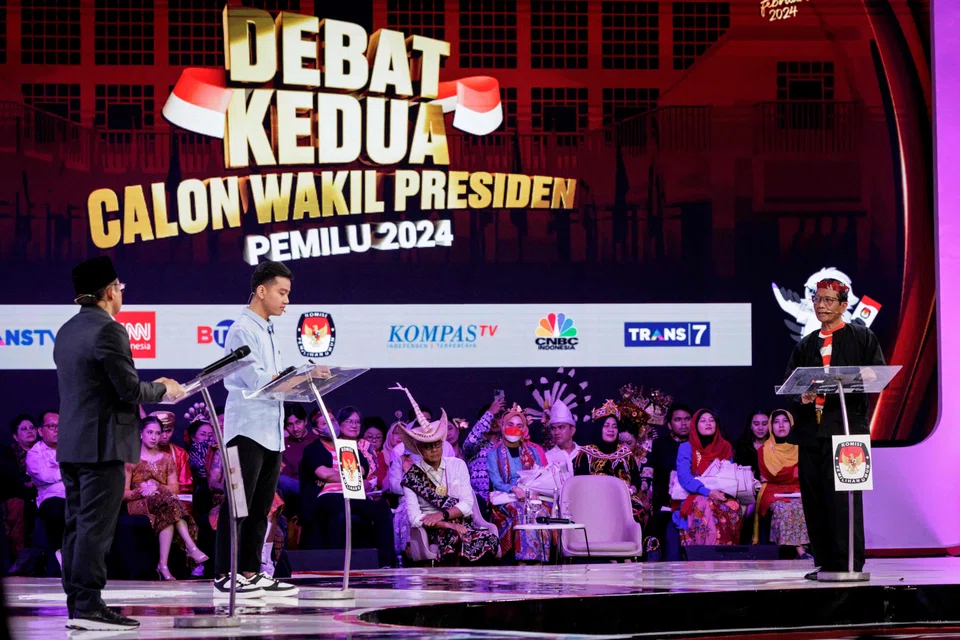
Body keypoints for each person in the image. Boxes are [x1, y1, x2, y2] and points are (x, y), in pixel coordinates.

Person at [54, 255, 182, 631]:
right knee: (95, 528)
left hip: (74, 444)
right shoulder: (109, 330)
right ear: (110, 291)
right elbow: (127, 389)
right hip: (103, 444)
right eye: (120, 288)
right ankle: (90, 605)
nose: (121, 295)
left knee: (77, 526)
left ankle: (79, 603)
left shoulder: (67, 329)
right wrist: (164, 389)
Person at [783, 277, 885, 579]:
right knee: (815, 499)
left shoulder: (862, 337)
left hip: (846, 433)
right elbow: (791, 383)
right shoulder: (806, 344)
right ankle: (826, 562)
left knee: (846, 500)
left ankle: (849, 563)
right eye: (817, 299)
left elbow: (877, 373)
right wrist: (800, 394)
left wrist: (866, 375)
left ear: (843, 305)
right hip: (811, 434)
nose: (820, 305)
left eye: (829, 300)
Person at [215, 260, 299, 599]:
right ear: (261, 291)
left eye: (288, 294)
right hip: (246, 428)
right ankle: (225, 572)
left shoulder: (267, 328)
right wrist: (298, 378)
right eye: (282, 292)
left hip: (270, 430)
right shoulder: (242, 329)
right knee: (238, 503)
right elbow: (257, 379)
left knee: (261, 505)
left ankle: (249, 572)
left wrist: (298, 377)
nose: (286, 300)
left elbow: (274, 380)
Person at [399, 410, 498, 565]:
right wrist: (446, 523)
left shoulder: (457, 465)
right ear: (418, 448)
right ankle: (451, 583)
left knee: (489, 539)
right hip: (433, 529)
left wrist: (443, 515)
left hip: (463, 524)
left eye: (437, 444)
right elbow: (415, 518)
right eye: (428, 446)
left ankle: (473, 585)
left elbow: (467, 504)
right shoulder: (412, 476)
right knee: (452, 534)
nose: (434, 449)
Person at [299, 412, 396, 568]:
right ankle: (337, 565)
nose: (331, 425)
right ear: (316, 431)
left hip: (352, 493)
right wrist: (353, 476)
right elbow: (324, 474)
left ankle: (385, 563)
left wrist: (352, 476)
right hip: (327, 495)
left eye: (332, 421)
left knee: (381, 508)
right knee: (339, 507)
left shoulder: (347, 447)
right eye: (325, 423)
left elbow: (363, 470)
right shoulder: (313, 448)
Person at [123, 418, 207, 580]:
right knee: (169, 502)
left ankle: (163, 565)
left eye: (157, 433)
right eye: (150, 432)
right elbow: (124, 494)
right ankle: (191, 546)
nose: (154, 437)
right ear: (141, 434)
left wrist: (157, 487)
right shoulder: (131, 459)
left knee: (168, 505)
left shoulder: (166, 458)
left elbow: (175, 488)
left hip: (163, 502)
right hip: (138, 503)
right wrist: (142, 490)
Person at [486, 404, 551, 563]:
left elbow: (539, 475)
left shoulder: (533, 451)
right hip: (506, 498)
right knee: (522, 510)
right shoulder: (493, 454)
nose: (514, 428)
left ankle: (542, 560)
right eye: (510, 424)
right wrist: (514, 488)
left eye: (519, 425)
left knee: (542, 511)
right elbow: (496, 482)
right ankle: (525, 559)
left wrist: (534, 490)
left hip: (531, 495)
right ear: (503, 426)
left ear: (524, 429)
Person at [673, 409, 743, 546]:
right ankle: (706, 556)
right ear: (695, 425)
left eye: (711, 420)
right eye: (703, 420)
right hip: (695, 493)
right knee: (705, 505)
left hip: (722, 492)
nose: (708, 423)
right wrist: (708, 492)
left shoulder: (725, 447)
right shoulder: (686, 448)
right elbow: (685, 478)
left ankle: (726, 557)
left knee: (733, 506)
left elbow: (729, 475)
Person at [574, 401, 649, 526]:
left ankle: (631, 545)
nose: (611, 430)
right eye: (606, 426)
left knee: (636, 511)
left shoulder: (625, 453)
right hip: (594, 499)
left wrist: (630, 490)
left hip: (624, 499)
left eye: (614, 426)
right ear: (599, 428)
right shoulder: (586, 453)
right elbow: (580, 482)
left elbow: (636, 480)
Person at [756, 410, 810, 557]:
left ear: (791, 424)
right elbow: (770, 475)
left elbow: (806, 471)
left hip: (799, 489)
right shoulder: (764, 450)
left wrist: (792, 473)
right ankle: (800, 550)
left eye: (785, 421)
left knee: (802, 505)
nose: (781, 425)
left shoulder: (801, 447)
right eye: (776, 422)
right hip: (773, 491)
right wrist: (794, 472)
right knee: (783, 508)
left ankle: (802, 549)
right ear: (771, 426)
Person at [648, 404, 691, 560]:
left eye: (687, 419)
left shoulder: (698, 445)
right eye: (678, 420)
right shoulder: (660, 445)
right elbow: (652, 474)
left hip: (693, 499)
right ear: (669, 424)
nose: (684, 423)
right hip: (665, 501)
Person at [25, 411, 65, 575]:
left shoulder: (72, 448)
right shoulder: (34, 454)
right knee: (59, 506)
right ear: (40, 431)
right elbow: (45, 476)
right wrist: (68, 469)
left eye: (59, 426)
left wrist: (59, 469)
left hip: (77, 495)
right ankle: (62, 551)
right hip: (51, 499)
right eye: (51, 426)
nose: (56, 430)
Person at [462, 394, 507, 512]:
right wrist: (490, 412)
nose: (494, 421)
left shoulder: (507, 444)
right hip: (478, 501)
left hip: (503, 500)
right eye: (491, 417)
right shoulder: (475, 445)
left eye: (498, 417)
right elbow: (470, 442)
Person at [3, 414, 38, 564]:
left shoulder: (44, 450)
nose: (29, 431)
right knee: (16, 506)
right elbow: (11, 481)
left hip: (43, 493)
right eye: (24, 429)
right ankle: (19, 559)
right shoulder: (8, 454)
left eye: (31, 428)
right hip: (19, 495)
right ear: (16, 436)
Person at [152, 411, 193, 495]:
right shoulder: (140, 453)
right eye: (161, 431)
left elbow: (185, 485)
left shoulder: (180, 453)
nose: (164, 436)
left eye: (168, 431)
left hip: (174, 498)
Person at [544, 399, 580, 481]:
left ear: (572, 430)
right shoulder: (547, 457)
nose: (556, 432)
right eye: (553, 428)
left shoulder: (584, 454)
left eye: (561, 427)